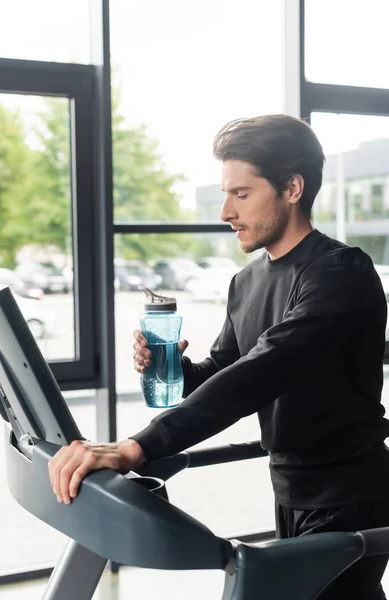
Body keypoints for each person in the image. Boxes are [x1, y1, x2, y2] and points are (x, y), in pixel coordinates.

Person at [49, 115, 389, 599]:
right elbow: (226, 369)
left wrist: (135, 447)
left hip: (351, 493)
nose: (226, 210)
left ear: (292, 188)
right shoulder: (246, 281)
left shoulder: (340, 273)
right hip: (290, 488)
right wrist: (177, 370)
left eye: (242, 194)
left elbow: (263, 370)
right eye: (225, 193)